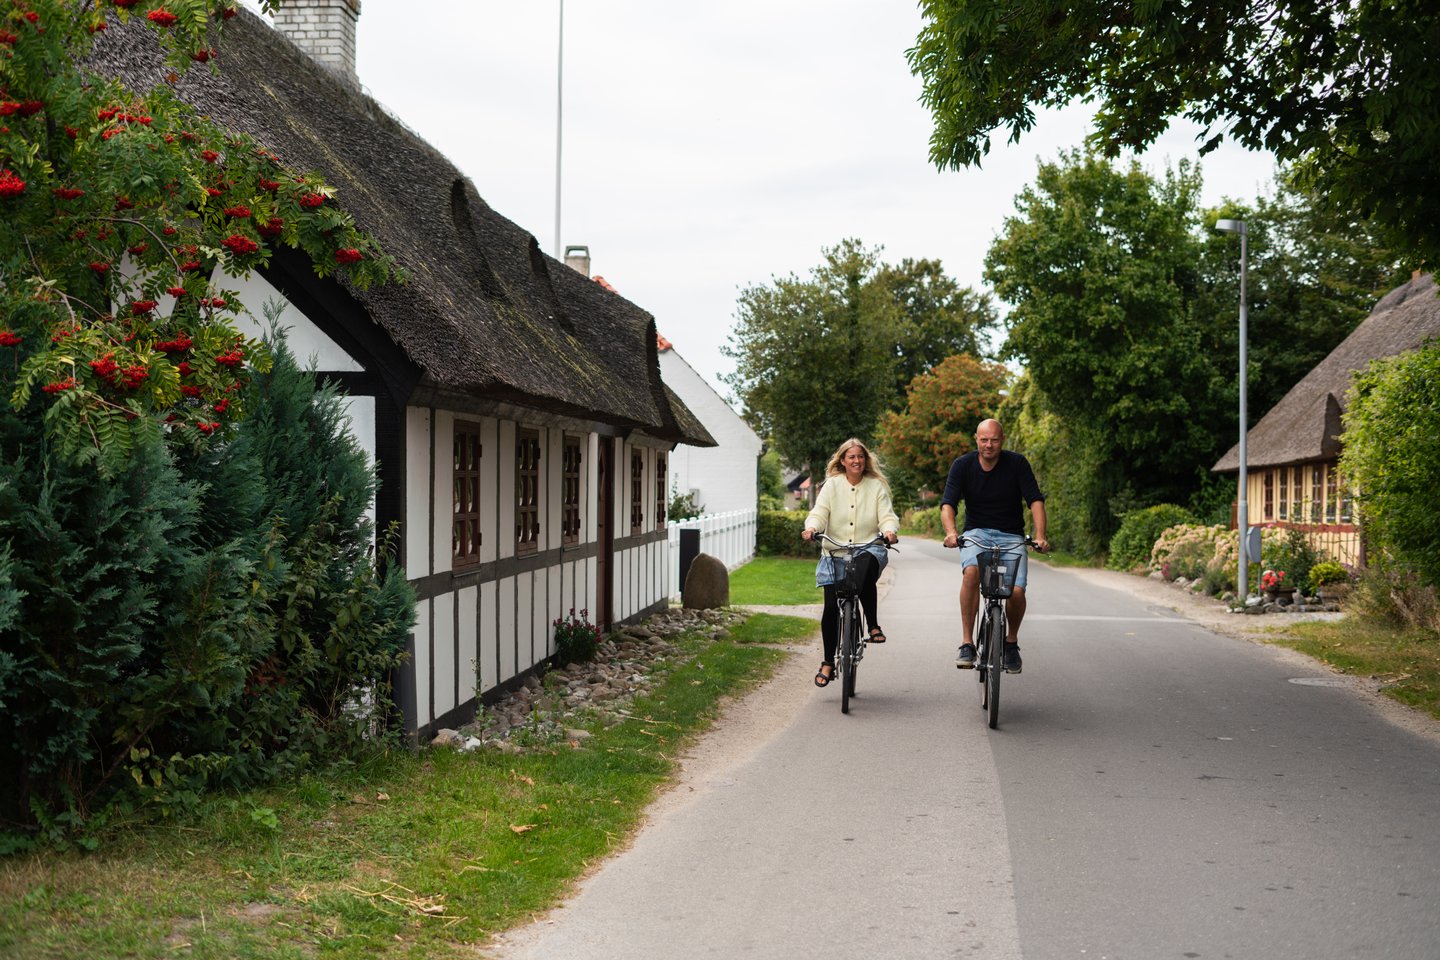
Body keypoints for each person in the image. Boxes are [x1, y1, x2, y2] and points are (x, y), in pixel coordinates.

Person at [940, 419, 1049, 674]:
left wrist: (1040, 535)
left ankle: (1011, 642)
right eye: (984, 440)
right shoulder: (963, 465)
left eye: (994, 440)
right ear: (976, 439)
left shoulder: (1017, 464)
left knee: (1016, 592)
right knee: (971, 573)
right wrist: (951, 533)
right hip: (976, 533)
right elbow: (948, 504)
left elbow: (1035, 500)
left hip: (1012, 536)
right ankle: (967, 642)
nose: (989, 445)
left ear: (1003, 440)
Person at [802, 438, 900, 687]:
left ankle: (873, 625)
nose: (856, 461)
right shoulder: (832, 485)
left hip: (868, 547)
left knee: (864, 566)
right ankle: (827, 662)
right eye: (851, 457)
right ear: (843, 461)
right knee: (831, 608)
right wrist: (812, 527)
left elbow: (887, 515)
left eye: (860, 457)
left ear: (865, 460)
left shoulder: (875, 486)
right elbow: (820, 512)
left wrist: (889, 531)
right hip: (834, 551)